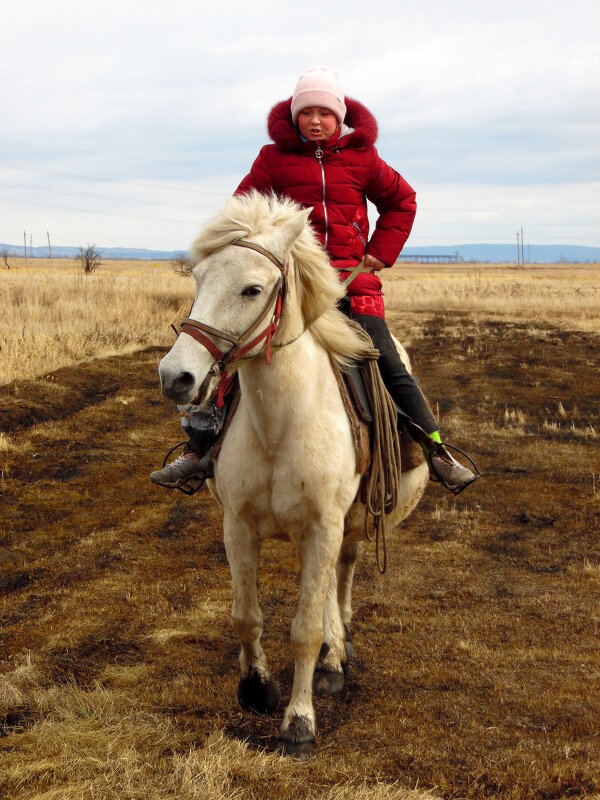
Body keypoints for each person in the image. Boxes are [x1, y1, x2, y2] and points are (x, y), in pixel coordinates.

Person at [151, 66, 478, 494]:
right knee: (230, 357)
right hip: (289, 288)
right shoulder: (273, 161)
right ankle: (197, 451)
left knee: (388, 363)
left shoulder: (363, 159)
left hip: (350, 286)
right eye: (307, 112)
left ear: (340, 116)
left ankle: (435, 451)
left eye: (325, 112)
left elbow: (402, 200)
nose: (316, 121)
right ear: (294, 116)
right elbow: (239, 211)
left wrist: (380, 250)